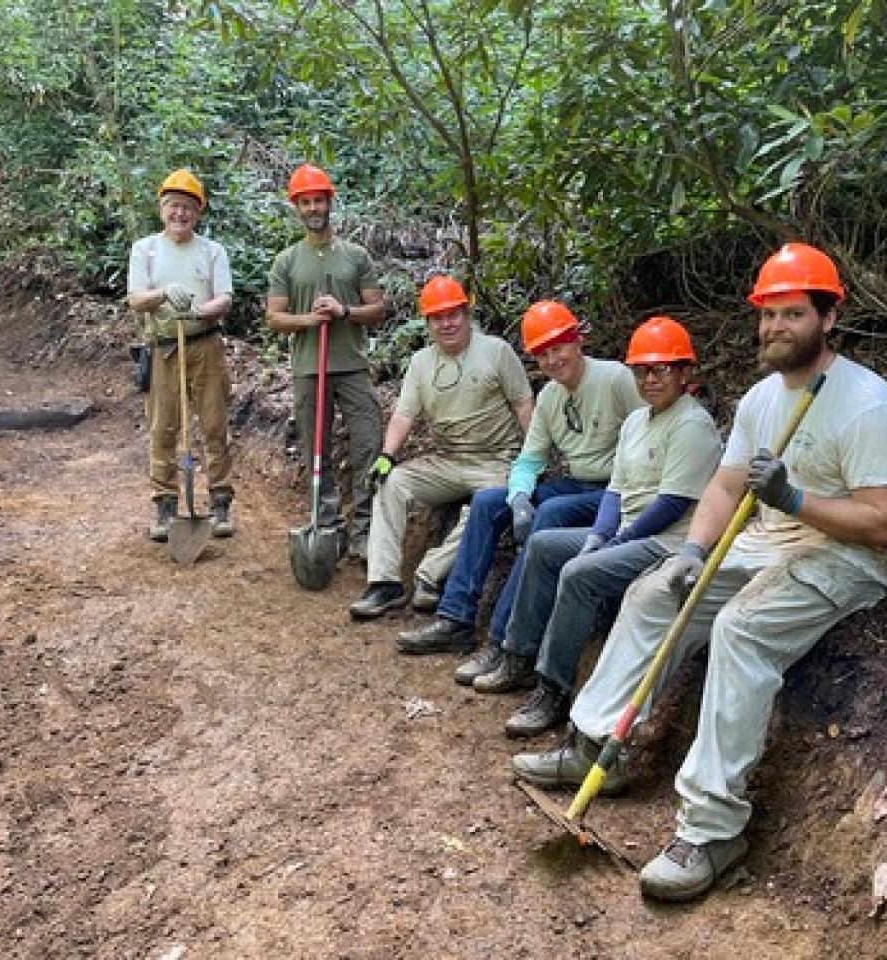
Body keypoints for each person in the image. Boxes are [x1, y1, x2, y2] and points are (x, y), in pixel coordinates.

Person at [512, 243, 887, 905]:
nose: (776, 327)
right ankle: (595, 747)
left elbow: (881, 523)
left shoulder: (868, 403)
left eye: (792, 314)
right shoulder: (761, 399)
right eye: (767, 315)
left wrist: (795, 500)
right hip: (764, 543)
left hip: (844, 559)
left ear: (829, 316)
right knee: (652, 590)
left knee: (739, 629)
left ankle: (712, 830)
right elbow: (725, 488)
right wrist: (694, 552)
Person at [485, 317, 722, 737]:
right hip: (626, 531)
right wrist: (599, 536)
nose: (650, 380)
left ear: (685, 373)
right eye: (642, 371)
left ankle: (553, 688)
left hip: (665, 542)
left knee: (578, 574)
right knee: (542, 545)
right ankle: (517, 655)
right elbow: (614, 492)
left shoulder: (692, 424)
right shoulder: (636, 421)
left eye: (661, 369)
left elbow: (672, 503)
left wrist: (615, 543)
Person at [395, 301, 642, 659]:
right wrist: (520, 497)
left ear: (577, 343)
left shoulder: (614, 379)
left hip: (615, 490)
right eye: (543, 354)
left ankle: (503, 640)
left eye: (558, 348)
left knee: (551, 513)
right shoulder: (550, 397)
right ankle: (456, 619)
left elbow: (647, 431)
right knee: (486, 503)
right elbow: (529, 458)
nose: (553, 360)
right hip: (577, 483)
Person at [349, 276, 534, 621]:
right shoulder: (421, 362)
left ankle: (429, 575)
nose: (447, 324)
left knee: (484, 507)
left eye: (453, 315)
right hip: (447, 459)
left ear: (466, 314)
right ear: (428, 323)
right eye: (438, 317)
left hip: (496, 461)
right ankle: (385, 583)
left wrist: (533, 461)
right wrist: (387, 457)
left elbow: (524, 404)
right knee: (391, 484)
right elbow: (405, 414)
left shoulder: (496, 352)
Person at [267, 164, 388, 561]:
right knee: (314, 449)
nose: (313, 207)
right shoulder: (287, 261)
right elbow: (275, 317)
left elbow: (377, 310)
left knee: (368, 445)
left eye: (319, 199)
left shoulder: (356, 256)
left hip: (351, 365)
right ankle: (328, 525)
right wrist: (309, 319)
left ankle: (366, 529)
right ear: (297, 208)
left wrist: (342, 311)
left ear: (329, 203)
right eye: (306, 202)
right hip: (307, 368)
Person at [127, 169, 235, 541]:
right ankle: (165, 505)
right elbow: (136, 297)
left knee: (213, 424)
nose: (180, 214)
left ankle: (220, 502)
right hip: (163, 348)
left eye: (188, 207)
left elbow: (225, 297)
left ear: (198, 212)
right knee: (164, 427)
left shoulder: (212, 251)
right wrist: (162, 295)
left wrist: (200, 311)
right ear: (162, 209)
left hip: (205, 345)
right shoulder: (146, 250)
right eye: (174, 206)